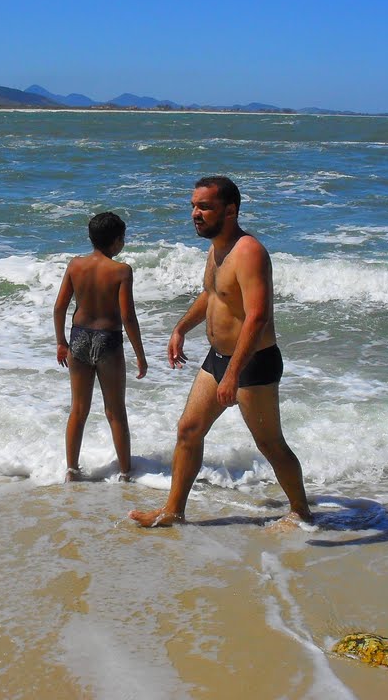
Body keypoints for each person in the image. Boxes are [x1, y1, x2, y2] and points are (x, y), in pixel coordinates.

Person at [129, 176, 313, 527]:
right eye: (194, 206)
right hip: (218, 358)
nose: (196, 214)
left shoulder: (249, 252)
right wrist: (181, 328)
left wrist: (233, 374)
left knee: (270, 444)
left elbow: (258, 316)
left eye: (205, 207)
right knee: (189, 430)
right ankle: (173, 511)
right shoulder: (216, 248)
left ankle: (301, 511)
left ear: (231, 210)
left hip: (252, 363)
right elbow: (213, 295)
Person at [54, 211, 147, 481]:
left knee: (78, 409)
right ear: (117, 240)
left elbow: (60, 307)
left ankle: (72, 470)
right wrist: (140, 355)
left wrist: (61, 341)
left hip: (78, 337)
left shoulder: (75, 265)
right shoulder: (121, 271)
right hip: (108, 340)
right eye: (123, 238)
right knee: (115, 411)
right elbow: (128, 317)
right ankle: (126, 472)